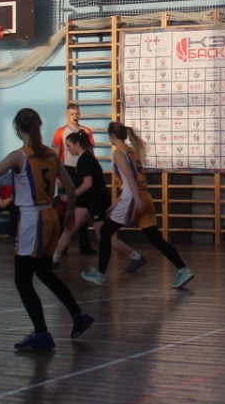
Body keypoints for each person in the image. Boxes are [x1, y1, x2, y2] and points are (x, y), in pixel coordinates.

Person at [0, 109, 93, 350]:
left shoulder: (19, 156)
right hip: (50, 216)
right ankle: (78, 316)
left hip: (32, 219)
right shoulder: (50, 153)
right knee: (45, 273)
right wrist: (69, 212)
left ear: (17, 128)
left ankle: (42, 333)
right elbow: (70, 186)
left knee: (22, 280)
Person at [81, 122, 195, 290]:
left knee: (105, 232)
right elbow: (133, 180)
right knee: (155, 238)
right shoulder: (132, 151)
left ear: (112, 136)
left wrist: (134, 199)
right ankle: (183, 270)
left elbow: (130, 179)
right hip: (144, 196)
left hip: (133, 198)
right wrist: (116, 203)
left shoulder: (118, 153)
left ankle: (100, 274)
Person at [58, 130, 120, 267]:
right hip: (91, 201)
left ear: (77, 144)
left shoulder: (85, 160)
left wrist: (70, 196)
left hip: (97, 201)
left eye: (69, 146)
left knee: (102, 237)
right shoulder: (84, 158)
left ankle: (134, 256)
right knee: (70, 228)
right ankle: (54, 259)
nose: (67, 149)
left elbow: (88, 184)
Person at [51, 103, 94, 167]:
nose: (75, 116)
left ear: (79, 114)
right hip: (66, 167)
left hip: (84, 167)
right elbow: (56, 155)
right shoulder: (59, 132)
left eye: (77, 114)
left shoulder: (87, 131)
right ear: (67, 115)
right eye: (72, 114)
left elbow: (91, 152)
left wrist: (93, 166)